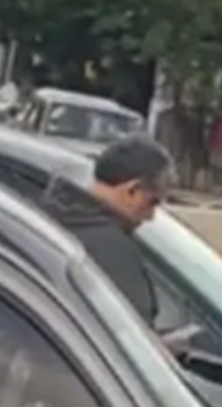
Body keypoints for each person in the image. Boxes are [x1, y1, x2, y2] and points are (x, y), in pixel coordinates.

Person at [41, 133, 172, 326]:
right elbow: (130, 337)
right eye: (152, 202)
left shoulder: (45, 220)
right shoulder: (113, 251)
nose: (150, 217)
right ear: (132, 191)